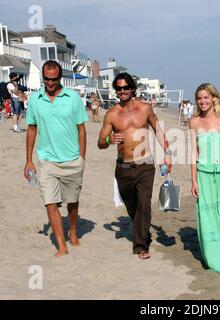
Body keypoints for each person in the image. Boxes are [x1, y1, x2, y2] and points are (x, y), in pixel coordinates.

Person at [97, 72, 172, 260]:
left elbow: (158, 130)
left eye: (125, 87)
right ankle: (142, 230)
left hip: (145, 165)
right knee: (133, 208)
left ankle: (140, 245)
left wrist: (168, 154)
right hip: (123, 168)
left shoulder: (145, 108)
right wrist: (109, 138)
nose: (122, 91)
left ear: (132, 89)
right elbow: (100, 142)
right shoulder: (112, 114)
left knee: (144, 205)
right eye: (118, 88)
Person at [24, 60, 88, 257]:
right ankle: (62, 246)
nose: (50, 83)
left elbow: (81, 129)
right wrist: (28, 160)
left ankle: (74, 230)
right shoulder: (35, 99)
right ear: (43, 77)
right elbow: (32, 129)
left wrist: (82, 158)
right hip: (47, 161)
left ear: (60, 78)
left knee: (72, 201)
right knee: (50, 202)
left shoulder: (73, 98)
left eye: (54, 79)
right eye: (46, 79)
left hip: (72, 160)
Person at [189, 83, 220, 273]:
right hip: (204, 174)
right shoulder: (193, 122)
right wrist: (193, 180)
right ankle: (215, 257)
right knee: (209, 218)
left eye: (205, 97)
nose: (202, 101)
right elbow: (194, 153)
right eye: (199, 98)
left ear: (214, 98)